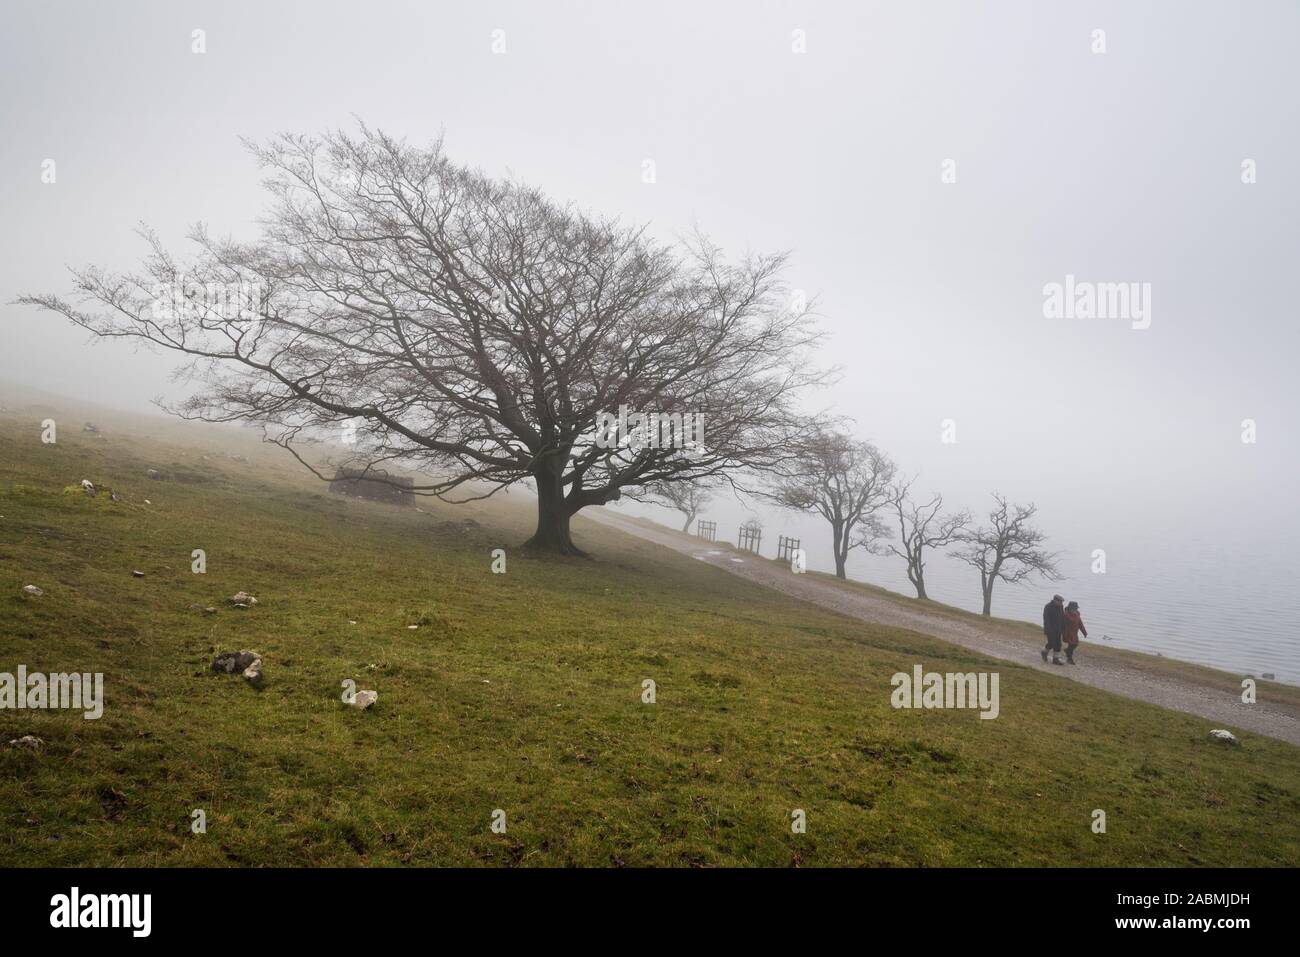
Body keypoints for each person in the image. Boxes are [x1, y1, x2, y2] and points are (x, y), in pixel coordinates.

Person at [1042, 594, 1065, 665]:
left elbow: (1062, 618)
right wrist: (1048, 629)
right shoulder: (1048, 606)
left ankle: (1055, 659)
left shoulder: (1061, 607)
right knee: (1051, 643)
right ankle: (1044, 652)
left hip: (1058, 629)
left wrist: (1063, 627)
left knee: (1058, 644)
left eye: (1062, 602)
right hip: (1050, 629)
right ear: (1055, 600)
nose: (1061, 603)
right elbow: (1046, 619)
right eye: (1060, 602)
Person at [1062, 600, 1088, 664]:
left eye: (1076, 608)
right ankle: (1069, 659)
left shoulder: (1077, 614)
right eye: (1074, 608)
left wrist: (1084, 632)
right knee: (1072, 644)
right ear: (1070, 607)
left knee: (1075, 644)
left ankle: (1067, 651)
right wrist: (1064, 634)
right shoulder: (1066, 614)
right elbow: (1063, 625)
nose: (1075, 609)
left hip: (1074, 633)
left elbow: (1080, 623)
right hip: (1068, 633)